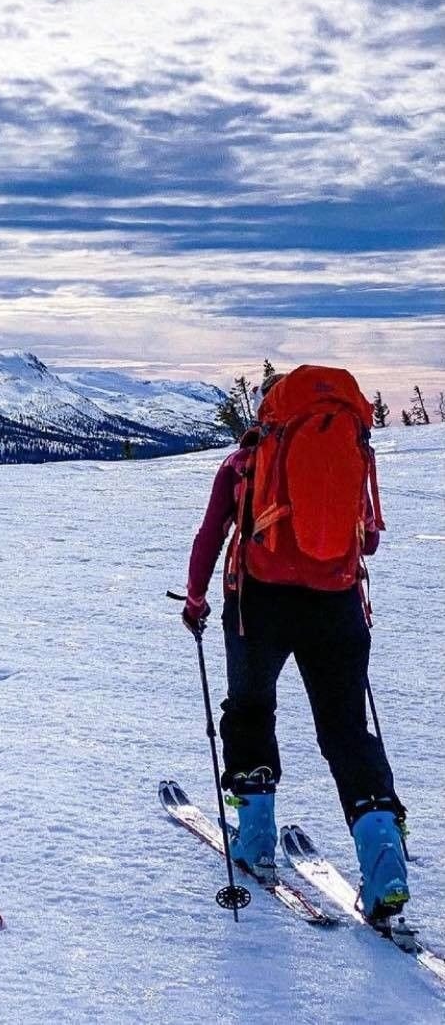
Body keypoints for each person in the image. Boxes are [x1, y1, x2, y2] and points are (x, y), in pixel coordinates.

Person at [182, 365, 408, 923]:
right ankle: (384, 862)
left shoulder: (242, 463)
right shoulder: (346, 448)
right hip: (337, 601)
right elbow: (370, 540)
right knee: (346, 729)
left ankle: (255, 835)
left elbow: (211, 534)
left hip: (257, 604)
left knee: (251, 710)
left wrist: (195, 601)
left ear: (267, 410)